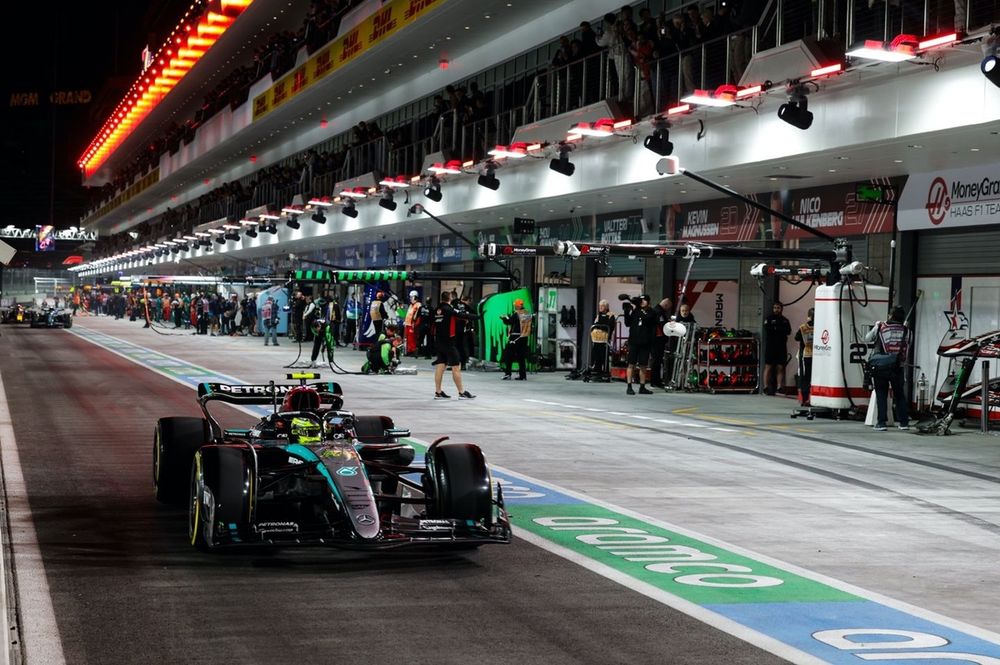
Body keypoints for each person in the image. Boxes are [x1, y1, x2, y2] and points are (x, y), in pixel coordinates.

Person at [865, 306, 910, 431]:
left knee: (881, 393)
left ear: (890, 315)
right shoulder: (907, 331)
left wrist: (876, 326)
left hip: (881, 366)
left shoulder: (881, 326)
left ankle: (881, 423)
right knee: (899, 394)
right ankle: (904, 423)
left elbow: (867, 338)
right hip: (898, 367)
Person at [432, 291, 476, 399]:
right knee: (456, 366)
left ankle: (438, 392)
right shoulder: (448, 309)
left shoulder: (437, 310)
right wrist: (477, 317)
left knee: (440, 366)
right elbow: (461, 315)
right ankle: (461, 393)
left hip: (438, 341)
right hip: (449, 342)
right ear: (450, 298)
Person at [623, 294, 658, 394]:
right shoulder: (636, 311)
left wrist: (637, 308)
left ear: (648, 301)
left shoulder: (652, 312)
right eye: (640, 301)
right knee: (631, 364)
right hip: (633, 341)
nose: (642, 302)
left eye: (644, 300)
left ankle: (642, 386)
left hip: (645, 342)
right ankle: (629, 386)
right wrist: (626, 312)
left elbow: (646, 318)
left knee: (643, 365)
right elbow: (628, 323)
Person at [762, 302, 791, 395]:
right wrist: (778, 329)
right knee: (768, 366)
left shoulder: (785, 320)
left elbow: (788, 331)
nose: (776, 309)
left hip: (781, 346)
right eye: (774, 308)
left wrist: (776, 328)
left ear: (781, 309)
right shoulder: (769, 319)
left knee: (780, 367)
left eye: (778, 308)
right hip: (771, 346)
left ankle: (779, 387)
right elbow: (768, 328)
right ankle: (765, 387)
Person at [501, 299, 532, 380]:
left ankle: (508, 374)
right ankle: (523, 375)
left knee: (508, 355)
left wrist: (504, 318)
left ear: (519, 305)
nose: (515, 306)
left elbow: (509, 322)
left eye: (516, 305)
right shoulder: (527, 313)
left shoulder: (517, 313)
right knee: (521, 357)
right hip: (524, 337)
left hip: (515, 337)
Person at [649, 297, 673, 388]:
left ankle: (656, 380)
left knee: (656, 361)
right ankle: (655, 381)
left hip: (656, 340)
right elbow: (662, 324)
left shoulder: (656, 310)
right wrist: (669, 323)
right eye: (668, 307)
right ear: (666, 305)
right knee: (656, 361)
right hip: (657, 340)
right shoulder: (659, 312)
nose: (668, 309)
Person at [590, 299, 616, 379]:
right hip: (597, 339)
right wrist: (601, 326)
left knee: (604, 355)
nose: (600, 308)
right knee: (596, 353)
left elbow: (609, 326)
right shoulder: (599, 315)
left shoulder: (611, 315)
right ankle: (597, 370)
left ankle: (605, 372)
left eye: (602, 306)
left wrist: (600, 326)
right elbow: (595, 324)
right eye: (599, 306)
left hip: (605, 339)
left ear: (606, 307)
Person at [794, 308, 815, 405]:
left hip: (806, 355)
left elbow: (796, 338)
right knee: (809, 377)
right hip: (812, 355)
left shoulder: (803, 327)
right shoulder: (820, 326)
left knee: (805, 377)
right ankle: (806, 398)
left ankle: (805, 399)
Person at [404, 290, 422, 356]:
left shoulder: (418, 305)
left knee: (412, 338)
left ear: (415, 297)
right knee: (408, 338)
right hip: (407, 324)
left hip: (412, 324)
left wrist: (415, 323)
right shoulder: (410, 305)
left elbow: (418, 315)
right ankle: (409, 350)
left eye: (412, 297)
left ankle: (413, 350)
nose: (410, 298)